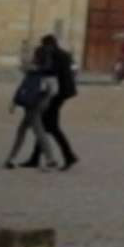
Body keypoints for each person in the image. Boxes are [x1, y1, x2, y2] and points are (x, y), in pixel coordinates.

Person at [23, 35, 79, 171]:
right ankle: (35, 158)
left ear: (48, 45)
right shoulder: (63, 54)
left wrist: (35, 69)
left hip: (57, 94)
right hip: (62, 92)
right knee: (44, 124)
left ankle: (69, 156)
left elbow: (51, 72)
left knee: (51, 126)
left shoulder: (55, 55)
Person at [4, 45, 59, 171]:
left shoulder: (33, 70)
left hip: (32, 104)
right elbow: (52, 91)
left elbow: (24, 83)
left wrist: (14, 101)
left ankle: (50, 159)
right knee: (24, 129)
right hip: (42, 103)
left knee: (37, 131)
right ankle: (11, 159)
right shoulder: (49, 70)